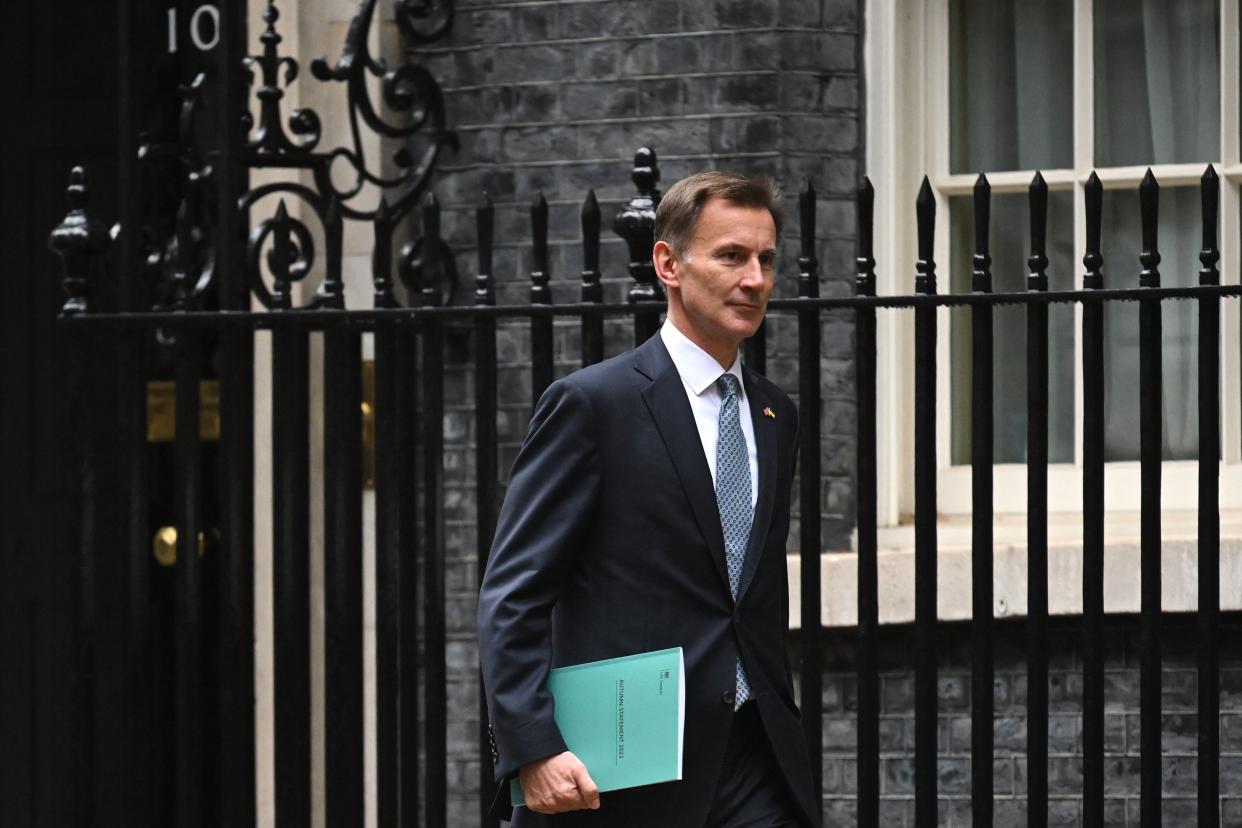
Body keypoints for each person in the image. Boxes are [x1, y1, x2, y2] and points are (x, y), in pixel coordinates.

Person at [478, 171, 819, 827]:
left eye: (766, 260)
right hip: (630, 770)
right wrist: (533, 746)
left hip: (756, 761)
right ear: (668, 263)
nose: (755, 279)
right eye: (731, 256)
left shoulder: (778, 415)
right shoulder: (593, 406)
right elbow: (514, 590)